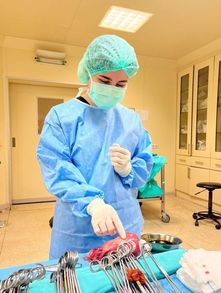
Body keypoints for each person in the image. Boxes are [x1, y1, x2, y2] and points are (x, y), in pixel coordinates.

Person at [37, 34, 153, 259]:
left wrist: (129, 169)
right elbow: (56, 167)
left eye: (121, 84)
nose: (113, 88)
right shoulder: (62, 117)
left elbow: (143, 163)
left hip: (125, 222)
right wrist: (93, 203)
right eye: (104, 80)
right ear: (88, 74)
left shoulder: (131, 120)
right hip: (78, 229)